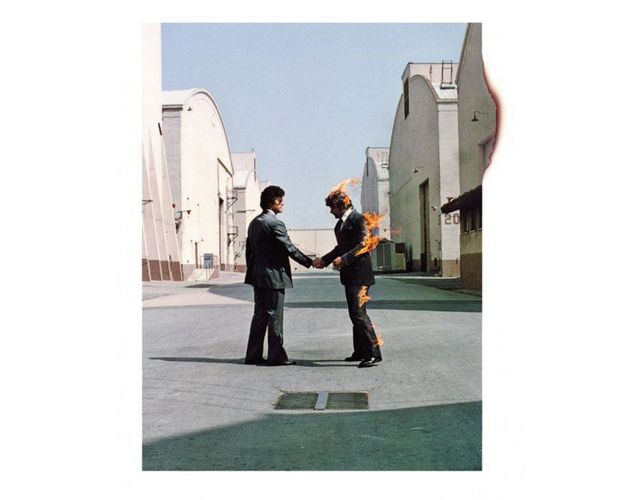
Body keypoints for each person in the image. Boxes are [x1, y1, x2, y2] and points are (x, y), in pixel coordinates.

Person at [244, 185, 313, 366]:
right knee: (274, 316)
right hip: (274, 277)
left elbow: (249, 251)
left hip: (258, 276)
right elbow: (289, 247)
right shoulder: (275, 224)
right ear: (271, 202)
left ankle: (253, 355)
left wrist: (254, 271)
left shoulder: (254, 223)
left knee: (259, 316)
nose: (283, 203)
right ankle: (276, 356)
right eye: (280, 200)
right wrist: (310, 261)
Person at [312, 192, 383, 368]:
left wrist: (345, 259)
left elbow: (364, 245)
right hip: (350, 276)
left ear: (342, 205)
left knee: (359, 314)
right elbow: (340, 248)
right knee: (354, 314)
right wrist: (324, 260)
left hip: (360, 275)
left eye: (332, 208)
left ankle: (373, 353)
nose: (330, 211)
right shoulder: (339, 225)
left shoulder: (359, 220)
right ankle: (360, 351)